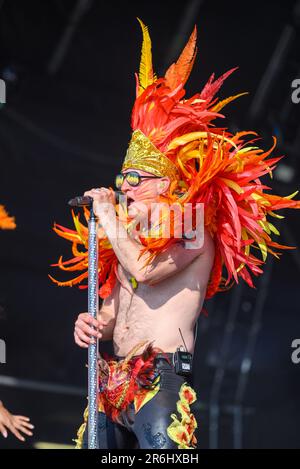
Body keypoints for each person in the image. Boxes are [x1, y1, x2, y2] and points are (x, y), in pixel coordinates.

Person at [51, 20, 300, 449]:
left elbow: (147, 272)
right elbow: (115, 309)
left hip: (158, 379)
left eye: (135, 178)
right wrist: (94, 325)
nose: (124, 187)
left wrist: (108, 216)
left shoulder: (194, 225)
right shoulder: (124, 238)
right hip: (111, 380)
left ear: (165, 183)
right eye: (122, 177)